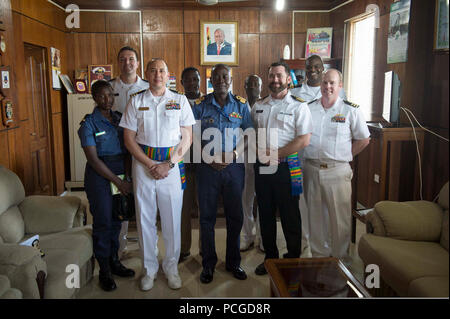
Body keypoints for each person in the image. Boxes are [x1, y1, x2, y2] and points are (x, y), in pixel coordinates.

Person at [120, 59, 195, 291]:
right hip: (143, 164)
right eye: (153, 71)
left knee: (172, 220)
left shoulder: (179, 100)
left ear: (168, 74)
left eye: (162, 70)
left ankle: (171, 268)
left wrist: (168, 164)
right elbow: (129, 139)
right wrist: (150, 163)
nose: (157, 75)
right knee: (144, 219)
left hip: (171, 167)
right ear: (146, 74)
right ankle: (149, 269)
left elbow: (187, 138)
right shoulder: (136, 100)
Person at [193, 64, 253, 284]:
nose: (220, 80)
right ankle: (208, 264)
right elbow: (192, 135)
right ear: (210, 81)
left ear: (230, 79)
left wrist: (234, 153)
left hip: (234, 169)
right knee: (206, 218)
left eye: (224, 76)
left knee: (235, 217)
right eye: (216, 77)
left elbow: (248, 134)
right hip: (206, 169)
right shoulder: (200, 105)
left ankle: (233, 262)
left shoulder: (241, 105)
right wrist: (208, 157)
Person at [303, 69, 370, 266]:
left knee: (339, 219)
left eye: (332, 83)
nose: (327, 87)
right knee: (315, 217)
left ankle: (341, 262)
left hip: (337, 171)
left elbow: (364, 139)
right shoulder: (308, 108)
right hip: (311, 169)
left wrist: (344, 155)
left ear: (340, 86)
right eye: (324, 83)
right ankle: (318, 259)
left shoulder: (351, 110)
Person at [252, 61, 313, 276]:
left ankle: (293, 258)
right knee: (265, 214)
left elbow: (304, 140)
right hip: (262, 167)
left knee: (290, 215)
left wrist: (276, 154)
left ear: (288, 79)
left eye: (279, 76)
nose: (275, 80)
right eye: (271, 76)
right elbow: (253, 133)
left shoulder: (298, 105)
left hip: (287, 167)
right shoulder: (259, 105)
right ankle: (270, 257)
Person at [78, 80, 135, 292]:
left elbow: (128, 150)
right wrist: (119, 181)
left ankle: (114, 262)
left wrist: (127, 178)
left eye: (110, 95)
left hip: (121, 174)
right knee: (103, 222)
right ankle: (104, 271)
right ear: (94, 98)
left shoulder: (120, 120)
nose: (107, 100)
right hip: (100, 177)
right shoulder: (89, 124)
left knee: (117, 220)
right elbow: (93, 160)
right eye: (102, 96)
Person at [109, 46, 149, 259]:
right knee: (120, 195)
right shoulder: (110, 87)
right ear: (118, 63)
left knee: (143, 199)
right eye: (123, 59)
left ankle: (146, 249)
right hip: (117, 151)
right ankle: (120, 247)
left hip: (141, 151)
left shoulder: (147, 86)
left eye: (131, 59)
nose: (128, 63)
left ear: (138, 62)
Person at [179, 67, 204, 262]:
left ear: (200, 80)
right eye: (187, 80)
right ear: (182, 83)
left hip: (205, 165)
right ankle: (184, 249)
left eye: (194, 79)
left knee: (205, 209)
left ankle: (205, 249)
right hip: (183, 165)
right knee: (183, 210)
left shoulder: (209, 102)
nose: (191, 83)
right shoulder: (176, 103)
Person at [240, 74, 263, 252]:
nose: (254, 87)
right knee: (245, 201)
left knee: (263, 201)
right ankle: (248, 236)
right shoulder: (239, 106)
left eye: (257, 84)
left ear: (261, 88)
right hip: (243, 160)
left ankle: (263, 238)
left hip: (263, 161)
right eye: (250, 84)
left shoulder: (267, 105)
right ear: (245, 86)